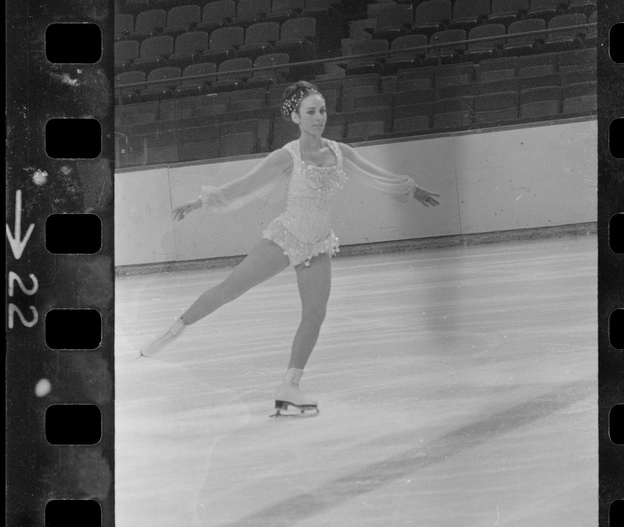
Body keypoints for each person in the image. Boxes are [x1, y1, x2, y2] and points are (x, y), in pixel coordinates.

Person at [140, 81, 440, 416]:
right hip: (285, 239)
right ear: (295, 117)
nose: (318, 117)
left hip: (317, 244)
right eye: (310, 112)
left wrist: (413, 190)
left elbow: (377, 174)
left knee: (315, 313)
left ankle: (290, 387)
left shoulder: (340, 152)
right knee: (229, 289)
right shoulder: (287, 156)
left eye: (322, 110)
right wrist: (200, 201)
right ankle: (174, 329)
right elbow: (244, 184)